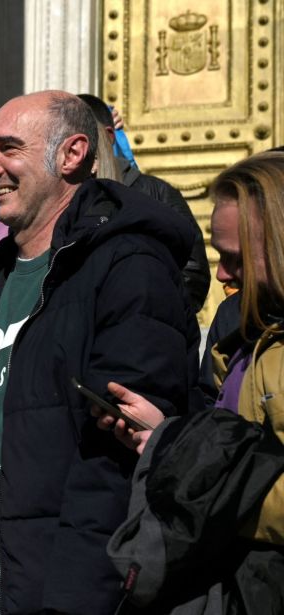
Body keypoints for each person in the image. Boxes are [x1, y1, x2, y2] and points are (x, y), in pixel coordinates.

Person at [0, 91, 198, 614]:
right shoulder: (4, 271)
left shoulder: (130, 267)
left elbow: (115, 463)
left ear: (72, 154)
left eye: (8, 148)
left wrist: (74, 598)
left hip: (62, 593)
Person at [95, 151, 284, 611]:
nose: (221, 275)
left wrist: (198, 486)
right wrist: (165, 436)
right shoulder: (239, 334)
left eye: (235, 259)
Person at [78, 93, 210, 312]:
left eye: (81, 139)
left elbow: (193, 274)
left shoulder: (156, 194)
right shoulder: (60, 200)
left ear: (109, 136)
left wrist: (146, 312)